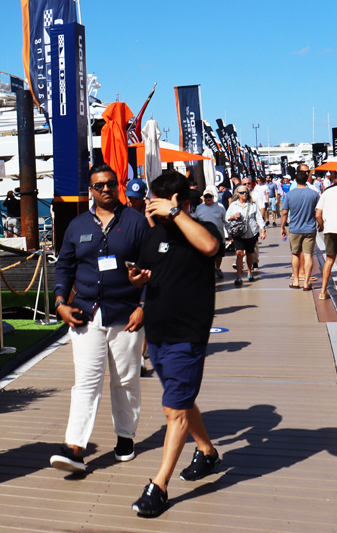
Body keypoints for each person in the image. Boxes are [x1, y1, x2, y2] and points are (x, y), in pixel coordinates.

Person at [128, 171, 222, 518]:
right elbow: (142, 275)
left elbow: (211, 249)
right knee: (180, 400)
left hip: (188, 334)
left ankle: (160, 486)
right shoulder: (153, 238)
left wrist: (176, 213)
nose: (152, 208)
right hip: (157, 334)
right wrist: (138, 289)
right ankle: (208, 453)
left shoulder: (204, 230)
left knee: (174, 410)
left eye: (160, 202)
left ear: (181, 203)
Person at [50, 164, 149, 473]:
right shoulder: (77, 226)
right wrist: (59, 303)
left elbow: (152, 268)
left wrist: (144, 306)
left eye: (110, 183)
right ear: (90, 190)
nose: (106, 189)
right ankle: (75, 447)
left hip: (126, 312)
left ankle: (125, 437)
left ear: (117, 185)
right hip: (85, 314)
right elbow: (64, 266)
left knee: (126, 380)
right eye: (99, 185)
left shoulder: (136, 223)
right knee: (86, 382)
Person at [281, 170, 320, 291]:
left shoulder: (290, 195)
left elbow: (284, 212)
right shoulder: (314, 194)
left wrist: (282, 227)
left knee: (295, 254)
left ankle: (297, 281)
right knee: (308, 255)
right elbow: (318, 211)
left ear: (296, 180)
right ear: (307, 180)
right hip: (310, 228)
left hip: (295, 229)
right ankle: (307, 283)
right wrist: (320, 223)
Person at [225, 184, 265, 286]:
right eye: (242, 193)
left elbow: (259, 218)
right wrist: (233, 217)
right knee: (239, 253)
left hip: (251, 233)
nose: (244, 194)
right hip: (238, 234)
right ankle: (239, 276)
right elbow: (226, 219)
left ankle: (249, 271)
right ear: (238, 194)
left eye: (246, 192)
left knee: (249, 253)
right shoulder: (233, 206)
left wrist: (263, 230)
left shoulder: (253, 205)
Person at [193, 186, 226, 279]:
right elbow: (196, 221)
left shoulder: (220, 207)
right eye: (206, 196)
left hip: (219, 235)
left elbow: (225, 220)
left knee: (219, 255)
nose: (208, 198)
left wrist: (230, 233)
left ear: (213, 197)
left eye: (210, 196)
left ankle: (217, 268)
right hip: (204, 237)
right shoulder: (199, 208)